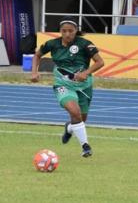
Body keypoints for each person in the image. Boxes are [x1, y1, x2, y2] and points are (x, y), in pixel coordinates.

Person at [31, 17, 105, 158]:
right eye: (64, 31)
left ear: (76, 31)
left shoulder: (85, 44)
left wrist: (86, 73)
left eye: (70, 31)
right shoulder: (52, 44)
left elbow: (100, 62)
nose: (67, 34)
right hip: (63, 84)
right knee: (74, 111)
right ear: (60, 31)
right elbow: (37, 55)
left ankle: (70, 128)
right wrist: (34, 72)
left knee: (81, 118)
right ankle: (85, 146)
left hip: (84, 86)